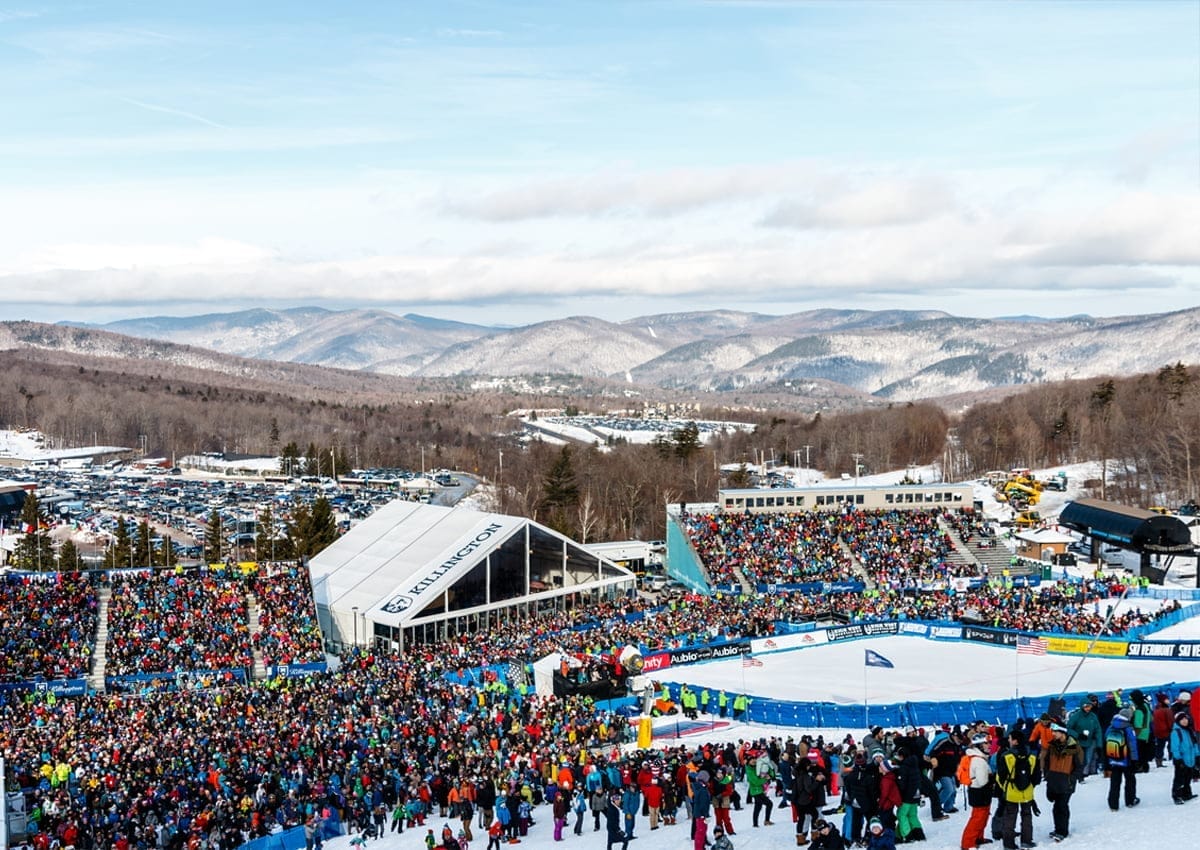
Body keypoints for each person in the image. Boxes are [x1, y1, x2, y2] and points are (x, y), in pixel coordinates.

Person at [994, 730, 1038, 850]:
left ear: (1015, 741)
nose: (1008, 740)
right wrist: (1030, 786)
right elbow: (1037, 777)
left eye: (1010, 738)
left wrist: (1005, 787)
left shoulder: (1007, 756)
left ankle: (1009, 843)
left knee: (1009, 817)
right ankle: (1027, 840)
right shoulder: (1032, 756)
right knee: (1027, 816)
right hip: (1027, 792)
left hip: (1011, 791)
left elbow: (1000, 776)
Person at [1040, 723, 1081, 842]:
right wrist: (1048, 776)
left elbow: (1079, 766)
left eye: (1055, 731)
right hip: (1054, 781)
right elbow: (1047, 763)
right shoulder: (1052, 746)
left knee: (1062, 806)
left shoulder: (1074, 747)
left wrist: (1071, 779)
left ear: (1062, 732)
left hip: (1066, 782)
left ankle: (1063, 831)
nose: (1053, 733)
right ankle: (1057, 829)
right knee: (1056, 807)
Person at [959, 732, 993, 850]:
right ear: (979, 745)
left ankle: (978, 838)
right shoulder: (979, 761)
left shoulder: (978, 758)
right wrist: (992, 780)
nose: (989, 745)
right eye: (986, 743)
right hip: (980, 792)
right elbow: (983, 781)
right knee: (977, 819)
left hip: (978, 792)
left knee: (982, 817)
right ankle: (968, 843)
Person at [1105, 707, 1140, 811]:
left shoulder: (1111, 726)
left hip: (1114, 759)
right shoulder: (1128, 728)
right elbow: (1132, 745)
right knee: (1130, 780)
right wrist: (1135, 760)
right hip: (1126, 759)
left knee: (1115, 782)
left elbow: (1105, 740)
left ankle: (1113, 804)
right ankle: (1130, 800)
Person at [890, 747, 926, 843]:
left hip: (907, 796)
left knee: (902, 815)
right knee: (912, 815)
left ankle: (907, 835)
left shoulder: (904, 768)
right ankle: (919, 834)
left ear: (902, 756)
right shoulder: (914, 765)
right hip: (915, 795)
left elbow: (902, 784)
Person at [1066, 698, 1102, 780]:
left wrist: (1099, 744)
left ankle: (1081, 774)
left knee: (1086, 760)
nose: (1088, 709)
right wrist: (1077, 735)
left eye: (1089, 707)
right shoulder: (1076, 716)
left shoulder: (1093, 716)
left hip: (1089, 742)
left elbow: (1098, 729)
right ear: (1082, 707)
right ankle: (1076, 775)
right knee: (1078, 760)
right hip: (1078, 742)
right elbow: (1068, 728)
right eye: (1086, 707)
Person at [1169, 710, 1198, 804]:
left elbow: (1194, 744)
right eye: (1182, 719)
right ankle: (1177, 796)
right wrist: (1178, 759)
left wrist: (1197, 755)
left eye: (1186, 719)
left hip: (1190, 759)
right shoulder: (1176, 732)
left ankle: (1186, 793)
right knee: (1179, 779)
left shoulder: (1189, 730)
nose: (1185, 721)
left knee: (1188, 777)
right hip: (1181, 759)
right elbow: (1174, 747)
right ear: (1178, 721)